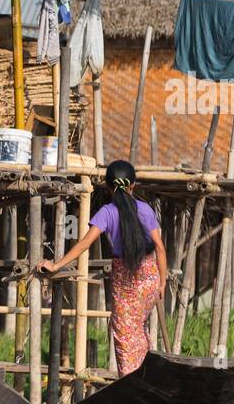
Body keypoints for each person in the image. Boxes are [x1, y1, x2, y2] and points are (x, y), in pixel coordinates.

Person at [35, 160, 168, 376]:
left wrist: (56, 264)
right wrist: (162, 282)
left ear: (108, 188)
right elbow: (160, 249)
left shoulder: (107, 212)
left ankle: (133, 381)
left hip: (126, 280)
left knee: (125, 333)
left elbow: (84, 244)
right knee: (138, 329)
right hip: (150, 277)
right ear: (133, 185)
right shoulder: (145, 209)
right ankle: (147, 374)